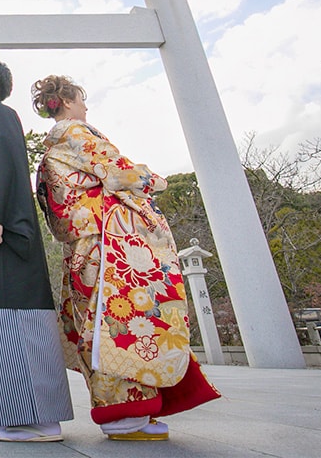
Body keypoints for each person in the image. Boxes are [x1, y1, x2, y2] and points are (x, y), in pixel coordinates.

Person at [31, 74, 220, 441]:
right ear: (68, 102)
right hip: (104, 245)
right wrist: (157, 180)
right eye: (82, 101)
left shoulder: (54, 146)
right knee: (115, 324)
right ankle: (124, 414)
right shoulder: (77, 133)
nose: (86, 108)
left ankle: (130, 407)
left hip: (82, 247)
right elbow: (119, 173)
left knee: (99, 325)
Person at [0, 61, 74, 443]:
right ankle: (9, 413)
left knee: (16, 320)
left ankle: (39, 418)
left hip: (3, 234)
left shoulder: (0, 115)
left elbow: (3, 165)